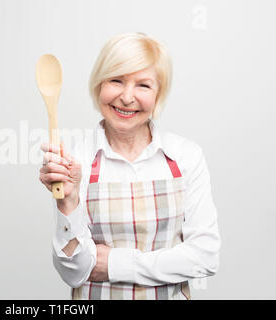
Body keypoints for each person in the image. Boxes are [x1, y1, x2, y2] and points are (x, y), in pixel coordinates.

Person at [39, 32, 221, 300]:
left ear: (159, 95)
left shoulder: (185, 156)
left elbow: (205, 256)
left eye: (143, 85)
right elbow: (74, 273)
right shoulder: (76, 159)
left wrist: (114, 264)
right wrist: (68, 201)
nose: (126, 97)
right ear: (99, 85)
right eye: (116, 80)